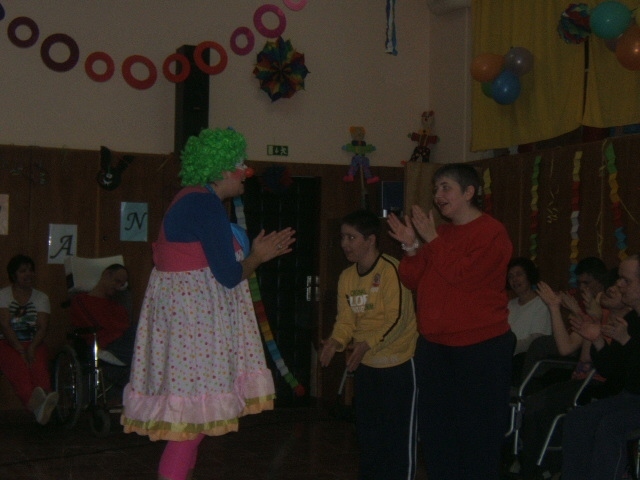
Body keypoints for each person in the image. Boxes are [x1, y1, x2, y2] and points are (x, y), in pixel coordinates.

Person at [120, 128, 295, 480]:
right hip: (193, 327)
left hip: (188, 323)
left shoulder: (192, 199)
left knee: (194, 423)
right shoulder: (204, 204)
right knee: (190, 425)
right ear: (221, 170)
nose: (246, 173)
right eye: (240, 166)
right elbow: (229, 275)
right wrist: (258, 257)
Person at [387, 162, 515, 479]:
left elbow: (465, 276)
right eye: (436, 189)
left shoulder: (492, 232)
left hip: (480, 349)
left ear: (469, 192)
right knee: (437, 435)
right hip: (435, 348)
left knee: (477, 436)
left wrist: (431, 239)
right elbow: (411, 278)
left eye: (446, 187)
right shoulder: (442, 234)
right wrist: (411, 246)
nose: (437, 195)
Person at [320, 209, 418, 480]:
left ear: (371, 239)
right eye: (343, 237)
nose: (344, 244)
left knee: (397, 440)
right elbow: (345, 320)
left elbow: (397, 318)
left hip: (398, 365)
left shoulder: (391, 270)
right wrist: (336, 341)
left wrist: (366, 344)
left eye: (351, 237)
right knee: (369, 439)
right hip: (366, 366)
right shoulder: (347, 277)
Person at [515, 269, 630, 479]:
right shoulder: (599, 314)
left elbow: (591, 359)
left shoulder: (629, 322)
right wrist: (554, 308)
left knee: (546, 407)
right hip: (581, 380)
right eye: (610, 288)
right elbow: (566, 348)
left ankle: (547, 469)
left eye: (618, 287)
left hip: (601, 384)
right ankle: (534, 467)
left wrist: (590, 319)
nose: (612, 291)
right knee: (533, 402)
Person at [561, 254, 640, 480]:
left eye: (626, 280)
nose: (619, 285)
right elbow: (611, 370)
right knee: (578, 419)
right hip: (630, 397)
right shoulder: (632, 320)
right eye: (619, 279)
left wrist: (627, 341)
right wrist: (596, 339)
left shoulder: (629, 326)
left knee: (610, 425)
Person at [520, 256, 608, 380]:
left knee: (541, 344)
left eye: (586, 283)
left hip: (588, 365)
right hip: (576, 353)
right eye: (579, 283)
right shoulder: (582, 300)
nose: (582, 288)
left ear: (600, 281)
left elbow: (569, 348)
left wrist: (572, 310)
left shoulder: (605, 305)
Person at [0, 254, 58, 425]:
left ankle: (41, 405)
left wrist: (31, 348)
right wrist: (19, 349)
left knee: (39, 369)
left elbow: (42, 327)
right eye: (23, 271)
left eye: (30, 270)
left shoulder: (41, 297)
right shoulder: (3, 295)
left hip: (34, 342)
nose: (28, 274)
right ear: (14, 275)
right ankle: (40, 408)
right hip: (8, 343)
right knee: (21, 372)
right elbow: (5, 325)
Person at [70, 263, 136, 391]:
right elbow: (89, 326)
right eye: (117, 281)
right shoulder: (81, 300)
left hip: (123, 343)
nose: (118, 286)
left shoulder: (119, 308)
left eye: (122, 284)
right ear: (106, 275)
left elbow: (126, 328)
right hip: (104, 345)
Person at [507, 257, 552, 384]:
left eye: (519, 274)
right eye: (510, 276)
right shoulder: (509, 305)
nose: (515, 280)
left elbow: (536, 342)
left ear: (529, 276)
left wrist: (506, 348)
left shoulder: (541, 303)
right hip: (506, 356)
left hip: (525, 361)